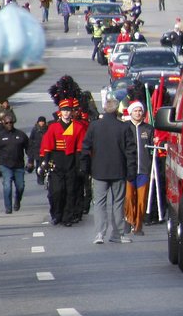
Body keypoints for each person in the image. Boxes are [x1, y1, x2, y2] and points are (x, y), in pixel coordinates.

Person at [81, 98, 136, 244]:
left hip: (99, 170)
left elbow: (85, 148)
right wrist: (132, 170)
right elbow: (131, 151)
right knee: (118, 202)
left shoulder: (94, 126)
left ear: (104, 109)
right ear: (117, 109)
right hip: (119, 170)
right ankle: (117, 234)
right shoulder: (123, 127)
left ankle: (99, 233)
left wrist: (85, 168)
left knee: (99, 202)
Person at [40, 98, 87, 226]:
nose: (66, 113)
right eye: (64, 110)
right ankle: (56, 214)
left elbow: (79, 148)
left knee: (70, 191)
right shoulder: (53, 127)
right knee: (57, 191)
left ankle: (67, 217)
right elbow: (48, 146)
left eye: (68, 110)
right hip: (56, 161)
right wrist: (45, 163)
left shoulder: (78, 127)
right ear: (60, 112)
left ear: (72, 112)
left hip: (71, 161)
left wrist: (80, 165)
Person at [123, 100, 155, 236]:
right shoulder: (124, 128)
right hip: (128, 170)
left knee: (142, 199)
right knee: (129, 197)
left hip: (143, 170)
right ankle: (129, 220)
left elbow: (154, 147)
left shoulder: (148, 129)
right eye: (135, 111)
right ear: (130, 112)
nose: (138, 113)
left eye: (140, 111)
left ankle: (138, 225)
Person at [0, 115, 30, 213]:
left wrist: (31, 161)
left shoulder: (21, 135)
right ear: (3, 123)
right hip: (5, 165)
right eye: (6, 123)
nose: (9, 124)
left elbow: (28, 148)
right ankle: (8, 207)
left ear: (13, 122)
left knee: (20, 186)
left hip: (19, 165)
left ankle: (17, 200)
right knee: (7, 186)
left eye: (10, 122)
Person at [28, 116, 49, 184]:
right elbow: (31, 139)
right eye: (40, 121)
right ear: (38, 122)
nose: (42, 123)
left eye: (43, 121)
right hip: (37, 150)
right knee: (38, 165)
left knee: (45, 164)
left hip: (46, 149)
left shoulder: (48, 129)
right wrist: (31, 147)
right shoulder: (35, 130)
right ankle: (39, 178)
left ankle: (44, 176)